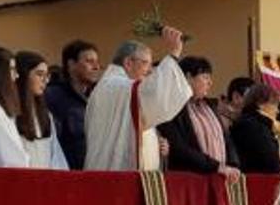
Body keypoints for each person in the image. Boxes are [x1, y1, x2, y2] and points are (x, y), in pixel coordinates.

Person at [85, 28, 190, 171]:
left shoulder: (111, 86)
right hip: (114, 172)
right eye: (146, 63)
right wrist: (173, 54)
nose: (150, 70)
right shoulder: (117, 86)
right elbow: (155, 94)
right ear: (128, 62)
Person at [160, 56, 240, 179]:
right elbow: (180, 148)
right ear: (188, 78)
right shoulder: (173, 108)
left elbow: (226, 139)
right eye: (205, 77)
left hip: (221, 177)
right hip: (189, 179)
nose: (210, 82)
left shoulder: (211, 106)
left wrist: (233, 165)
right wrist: (216, 167)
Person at [45, 40, 101, 170]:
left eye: (97, 62)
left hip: (94, 171)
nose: (96, 67)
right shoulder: (53, 96)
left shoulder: (97, 97)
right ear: (71, 64)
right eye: (89, 61)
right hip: (66, 173)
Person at [15, 51, 68, 170]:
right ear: (23, 75)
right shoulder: (11, 114)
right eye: (39, 74)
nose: (45, 80)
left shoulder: (46, 116)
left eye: (47, 75)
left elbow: (55, 156)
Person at [230, 83, 280, 175]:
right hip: (258, 181)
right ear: (261, 104)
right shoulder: (252, 126)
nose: (277, 111)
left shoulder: (257, 124)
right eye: (274, 105)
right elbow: (271, 161)